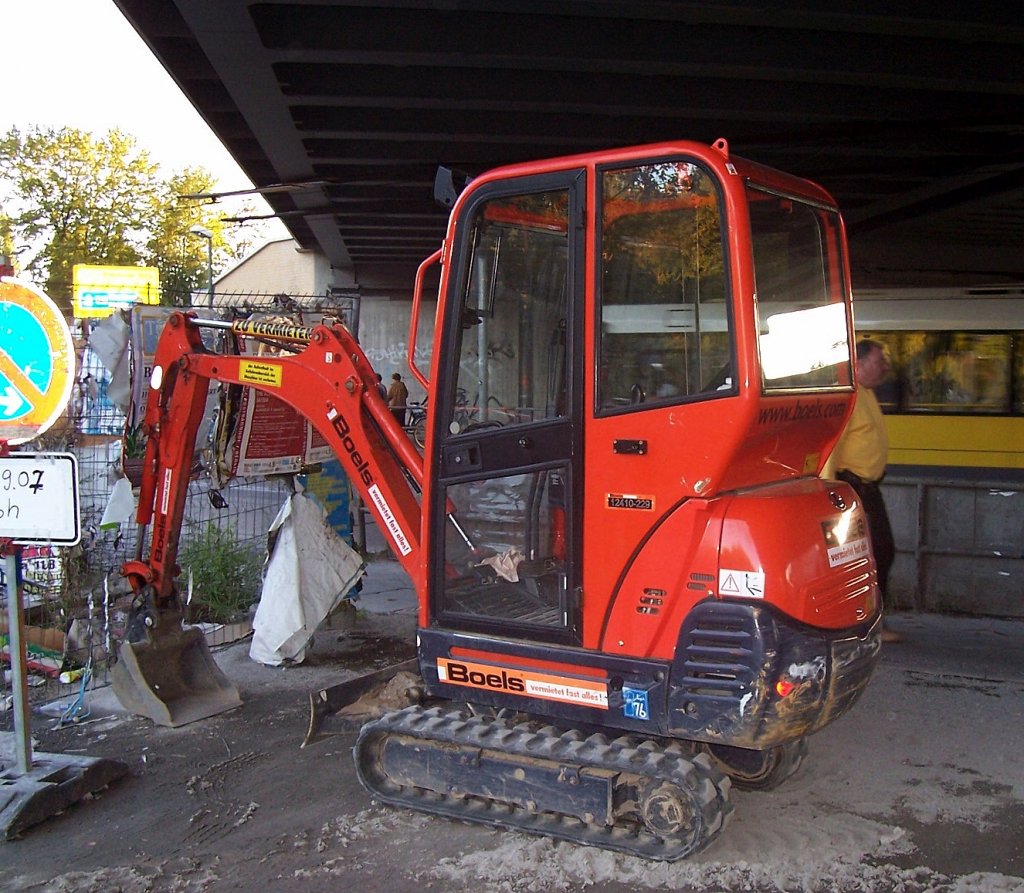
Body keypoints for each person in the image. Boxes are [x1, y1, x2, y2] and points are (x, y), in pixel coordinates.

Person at [829, 339, 904, 643]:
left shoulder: (867, 395)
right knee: (875, 552)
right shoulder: (848, 397)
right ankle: (865, 623)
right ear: (857, 365)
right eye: (879, 361)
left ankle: (867, 620)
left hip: (868, 489)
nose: (885, 366)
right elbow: (832, 447)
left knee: (879, 552)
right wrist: (829, 491)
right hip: (851, 489)